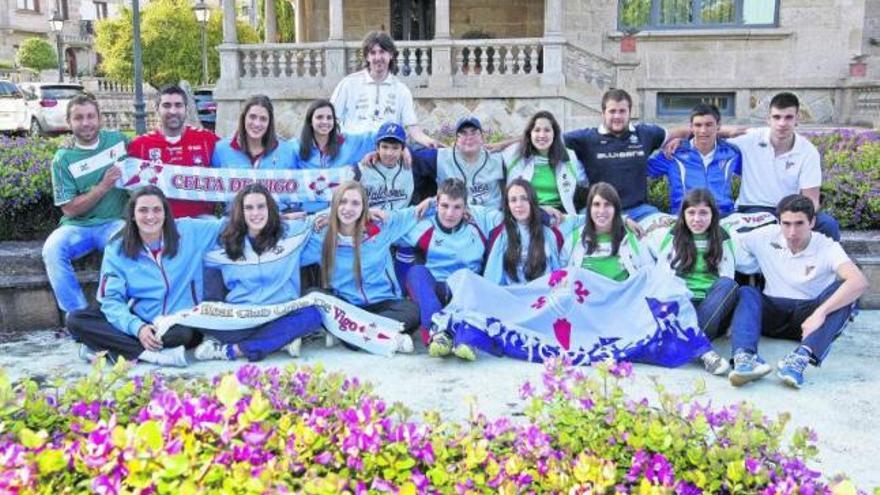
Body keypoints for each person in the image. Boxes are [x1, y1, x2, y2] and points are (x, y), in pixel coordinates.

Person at [66, 186, 223, 366]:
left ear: (165, 213)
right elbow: (111, 300)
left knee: (182, 335)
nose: (150, 216)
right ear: (133, 214)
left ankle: (107, 348)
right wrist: (137, 328)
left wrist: (254, 205)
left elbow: (230, 226)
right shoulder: (117, 248)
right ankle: (152, 356)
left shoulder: (189, 231)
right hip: (140, 319)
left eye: (157, 210)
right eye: (143, 210)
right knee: (76, 320)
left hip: (178, 321)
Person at [727, 194, 868, 388]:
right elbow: (723, 241)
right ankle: (744, 358)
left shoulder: (827, 246)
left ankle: (799, 358)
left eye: (799, 223)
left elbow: (859, 282)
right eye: (786, 224)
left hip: (809, 321)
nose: (792, 232)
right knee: (746, 292)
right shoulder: (764, 236)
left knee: (847, 294)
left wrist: (820, 313)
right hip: (772, 312)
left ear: (812, 222)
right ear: (779, 222)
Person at [194, 184, 323, 361]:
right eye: (249, 208)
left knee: (312, 315)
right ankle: (280, 340)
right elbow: (193, 231)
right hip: (243, 316)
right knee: (209, 322)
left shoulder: (291, 233)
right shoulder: (223, 242)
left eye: (261, 206)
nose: (256, 213)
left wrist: (366, 214)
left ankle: (235, 350)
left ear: (270, 209)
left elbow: (333, 219)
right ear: (241, 211)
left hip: (280, 311)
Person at [304, 181, 422, 345]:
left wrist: (435, 203)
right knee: (312, 295)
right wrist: (323, 216)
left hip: (385, 304)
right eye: (343, 202)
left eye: (355, 203)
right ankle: (381, 336)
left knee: (413, 311)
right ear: (335, 205)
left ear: (363, 208)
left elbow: (417, 212)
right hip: (347, 307)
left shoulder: (381, 228)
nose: (348, 208)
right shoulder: (322, 239)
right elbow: (293, 230)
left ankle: (352, 336)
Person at [43, 94, 129, 317]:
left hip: (114, 223)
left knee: (123, 246)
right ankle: (80, 318)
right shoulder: (62, 159)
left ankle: (112, 313)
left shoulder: (119, 142)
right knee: (52, 250)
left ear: (100, 118)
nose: (86, 122)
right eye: (79, 118)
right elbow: (70, 208)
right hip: (76, 226)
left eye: (91, 116)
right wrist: (103, 187)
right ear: (69, 122)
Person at [402, 178, 503, 360]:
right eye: (444, 206)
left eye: (457, 207)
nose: (450, 213)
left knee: (471, 282)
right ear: (436, 203)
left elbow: (515, 216)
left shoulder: (478, 222)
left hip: (468, 291)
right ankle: (438, 332)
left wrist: (546, 213)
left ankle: (467, 338)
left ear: (466, 207)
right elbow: (388, 230)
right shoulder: (425, 226)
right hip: (437, 291)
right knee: (416, 272)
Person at [728, 92, 840, 240]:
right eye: (777, 117)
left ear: (797, 118)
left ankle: (830, 263)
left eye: (788, 117)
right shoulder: (750, 139)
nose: (782, 123)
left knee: (828, 225)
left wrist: (799, 219)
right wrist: (727, 131)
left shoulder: (808, 151)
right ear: (768, 119)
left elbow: (812, 199)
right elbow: (707, 135)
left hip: (790, 210)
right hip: (752, 209)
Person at [650, 189, 738, 375]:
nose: (697, 219)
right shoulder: (674, 235)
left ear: (713, 214)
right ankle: (701, 349)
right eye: (691, 213)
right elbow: (664, 277)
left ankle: (686, 341)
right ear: (683, 214)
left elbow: (728, 276)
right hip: (683, 304)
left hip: (712, 307)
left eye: (703, 213)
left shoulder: (722, 236)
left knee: (728, 285)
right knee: (666, 288)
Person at [563, 89, 688, 222]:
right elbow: (548, 139)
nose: (617, 116)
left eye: (622, 111)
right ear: (603, 113)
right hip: (600, 213)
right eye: (612, 111)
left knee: (667, 231)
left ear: (629, 112)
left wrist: (679, 140)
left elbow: (688, 131)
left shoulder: (645, 134)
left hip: (640, 212)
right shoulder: (586, 138)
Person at [330, 31, 440, 148]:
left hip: (387, 153)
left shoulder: (401, 90)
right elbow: (332, 119)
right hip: (353, 149)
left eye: (382, 52)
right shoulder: (348, 84)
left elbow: (412, 127)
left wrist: (429, 141)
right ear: (367, 57)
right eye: (373, 53)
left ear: (391, 54)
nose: (378, 58)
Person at [128, 85, 218, 218]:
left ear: (186, 109)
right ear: (157, 109)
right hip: (159, 221)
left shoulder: (207, 140)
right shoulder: (140, 145)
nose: (173, 111)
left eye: (178, 105)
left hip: (201, 219)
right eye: (166, 105)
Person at [647, 103, 741, 216]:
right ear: (691, 127)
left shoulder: (731, 152)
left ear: (719, 126)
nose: (703, 130)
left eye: (709, 125)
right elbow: (639, 169)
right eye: (698, 125)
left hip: (724, 217)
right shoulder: (673, 153)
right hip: (685, 218)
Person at [211, 95, 297, 212]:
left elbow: (295, 189)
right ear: (244, 118)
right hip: (236, 221)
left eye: (263, 119)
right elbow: (212, 188)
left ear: (270, 122)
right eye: (252, 117)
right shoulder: (221, 149)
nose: (257, 124)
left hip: (277, 220)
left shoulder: (287, 150)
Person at [290, 99, 376, 213]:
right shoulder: (295, 147)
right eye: (319, 117)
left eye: (329, 118)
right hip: (306, 213)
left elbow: (380, 137)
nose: (325, 121)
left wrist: (400, 147)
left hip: (341, 213)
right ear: (310, 120)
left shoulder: (348, 143)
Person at [562, 182, 654, 280]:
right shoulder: (575, 238)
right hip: (586, 294)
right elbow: (559, 276)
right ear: (589, 209)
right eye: (596, 205)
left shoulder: (632, 236)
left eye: (607, 205)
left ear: (616, 209)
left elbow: (649, 273)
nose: (601, 211)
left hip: (625, 294)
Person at [503, 110, 587, 216]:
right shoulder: (515, 155)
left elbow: (583, 184)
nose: (542, 135)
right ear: (530, 134)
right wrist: (499, 145)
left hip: (562, 214)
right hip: (528, 214)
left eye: (547, 130)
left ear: (554, 134)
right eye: (537, 130)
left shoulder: (569, 156)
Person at [483, 179, 566, 286]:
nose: (519, 205)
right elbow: (491, 279)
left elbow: (557, 274)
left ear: (532, 201)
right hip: (511, 297)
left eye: (524, 199)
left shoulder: (549, 233)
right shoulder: (501, 235)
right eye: (513, 200)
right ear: (508, 206)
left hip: (543, 296)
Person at [411, 115, 505, 208]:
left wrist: (504, 144)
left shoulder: (497, 158)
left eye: (474, 133)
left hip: (491, 217)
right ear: (456, 140)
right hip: (455, 217)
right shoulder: (440, 157)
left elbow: (519, 145)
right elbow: (410, 156)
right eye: (463, 133)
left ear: (482, 138)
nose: (469, 137)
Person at [355, 121, 415, 211]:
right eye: (385, 147)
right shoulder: (361, 169)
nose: (389, 153)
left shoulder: (408, 164)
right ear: (377, 148)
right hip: (369, 221)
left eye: (395, 148)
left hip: (400, 221)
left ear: (403, 150)